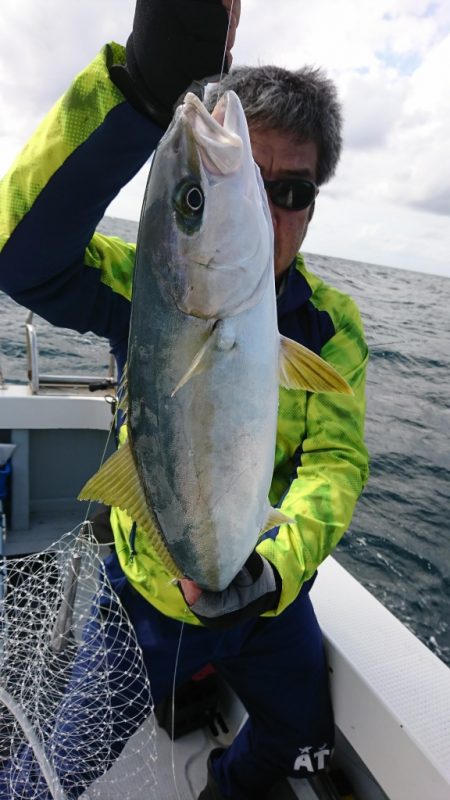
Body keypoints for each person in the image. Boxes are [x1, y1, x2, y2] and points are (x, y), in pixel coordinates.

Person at [0, 1, 369, 798]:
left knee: (299, 742)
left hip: (267, 598)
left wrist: (273, 569)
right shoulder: (148, 287)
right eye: (243, 187)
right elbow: (19, 254)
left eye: (294, 190)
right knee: (43, 777)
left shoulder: (332, 325)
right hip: (145, 594)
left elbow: (335, 463)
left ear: (316, 203)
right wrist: (135, 91)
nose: (265, 210)